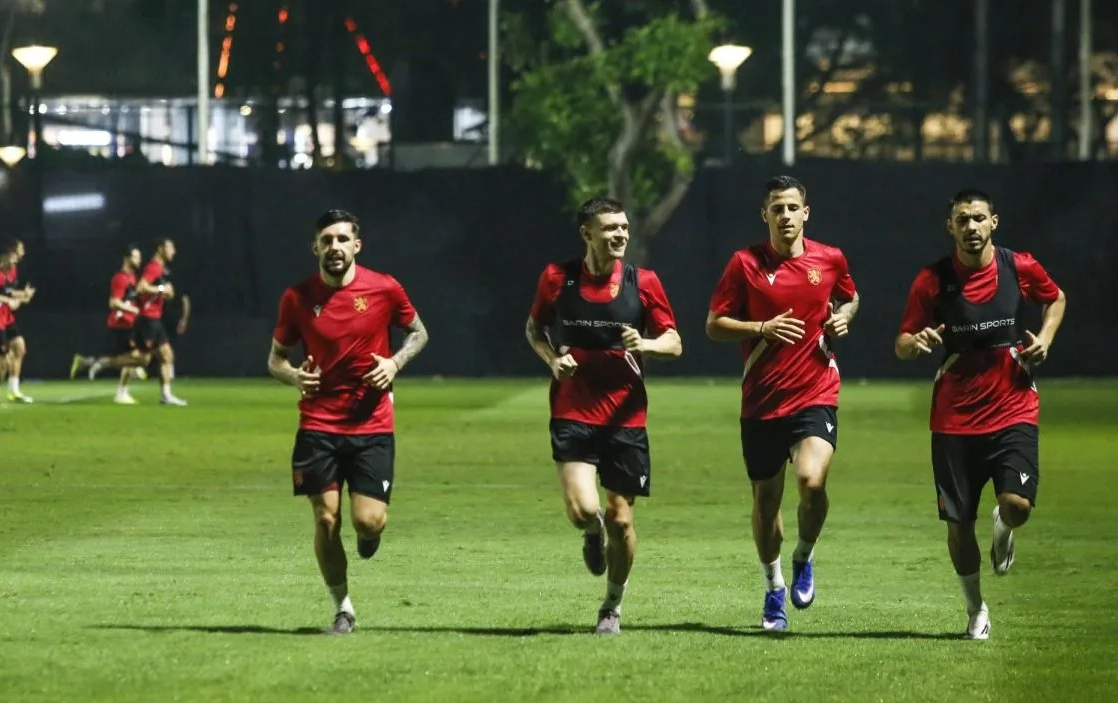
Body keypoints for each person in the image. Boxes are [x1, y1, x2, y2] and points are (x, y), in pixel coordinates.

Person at [894, 188, 1066, 640]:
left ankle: (1004, 527)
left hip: (1013, 406)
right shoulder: (932, 280)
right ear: (950, 227)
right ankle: (975, 609)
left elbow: (1056, 298)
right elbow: (903, 343)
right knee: (958, 525)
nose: (970, 227)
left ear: (994, 222)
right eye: (961, 220)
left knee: (1018, 506)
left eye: (978, 218)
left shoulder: (1018, 266)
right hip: (954, 420)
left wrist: (1046, 337)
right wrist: (917, 343)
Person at [705, 175, 860, 632]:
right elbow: (714, 324)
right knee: (766, 501)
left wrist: (842, 318)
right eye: (777, 209)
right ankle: (773, 588)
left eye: (793, 208)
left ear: (805, 213)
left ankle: (804, 556)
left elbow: (850, 298)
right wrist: (760, 328)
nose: (786, 216)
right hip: (762, 400)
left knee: (812, 481)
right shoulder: (745, 264)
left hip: (816, 391)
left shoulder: (829, 258)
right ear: (765, 215)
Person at [525, 196, 682, 636]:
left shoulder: (643, 281)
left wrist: (645, 345)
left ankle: (611, 606)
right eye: (610, 228)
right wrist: (553, 361)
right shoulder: (557, 278)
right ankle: (590, 534)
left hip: (626, 419)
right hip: (573, 410)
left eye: (625, 228)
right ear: (587, 233)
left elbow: (674, 342)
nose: (620, 235)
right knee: (583, 511)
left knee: (622, 518)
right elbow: (535, 330)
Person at [268, 209, 429, 635]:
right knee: (325, 519)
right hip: (318, 424)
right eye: (327, 240)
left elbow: (419, 333)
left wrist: (394, 363)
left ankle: (369, 534)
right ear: (315, 247)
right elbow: (276, 360)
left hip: (372, 424)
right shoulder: (297, 298)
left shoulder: (384, 287)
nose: (334, 247)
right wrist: (294, 376)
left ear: (356, 245)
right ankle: (343, 608)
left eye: (342, 239)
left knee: (368, 521)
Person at [70, 244, 152, 404]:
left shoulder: (133, 278)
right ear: (127, 258)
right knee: (137, 359)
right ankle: (100, 365)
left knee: (135, 358)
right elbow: (113, 302)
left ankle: (118, 388)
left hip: (129, 324)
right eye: (136, 257)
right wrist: (131, 310)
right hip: (120, 326)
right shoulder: (119, 278)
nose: (139, 260)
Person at [135, 237, 187, 406]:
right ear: (160, 249)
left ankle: (166, 395)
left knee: (166, 356)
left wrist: (166, 293)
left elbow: (158, 292)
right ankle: (98, 362)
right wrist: (162, 289)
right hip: (148, 319)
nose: (174, 251)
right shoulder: (154, 267)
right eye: (170, 247)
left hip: (154, 319)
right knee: (142, 359)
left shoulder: (161, 269)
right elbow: (141, 287)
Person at [1, 238, 36, 403]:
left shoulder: (13, 270)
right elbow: (5, 296)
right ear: (10, 252)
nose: (23, 252)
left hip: (6, 316)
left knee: (19, 348)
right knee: (3, 362)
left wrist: (23, 295)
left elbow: (9, 292)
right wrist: (8, 301)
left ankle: (14, 391)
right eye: (21, 249)